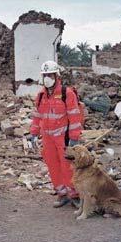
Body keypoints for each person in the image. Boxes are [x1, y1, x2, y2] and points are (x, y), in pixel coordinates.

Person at [30, 60, 83, 208]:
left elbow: (74, 116)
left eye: (50, 74)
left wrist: (74, 137)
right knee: (53, 166)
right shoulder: (41, 95)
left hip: (63, 137)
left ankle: (74, 195)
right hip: (47, 138)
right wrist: (33, 133)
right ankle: (62, 194)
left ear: (56, 75)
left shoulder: (67, 93)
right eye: (45, 75)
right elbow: (37, 116)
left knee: (67, 166)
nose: (47, 77)